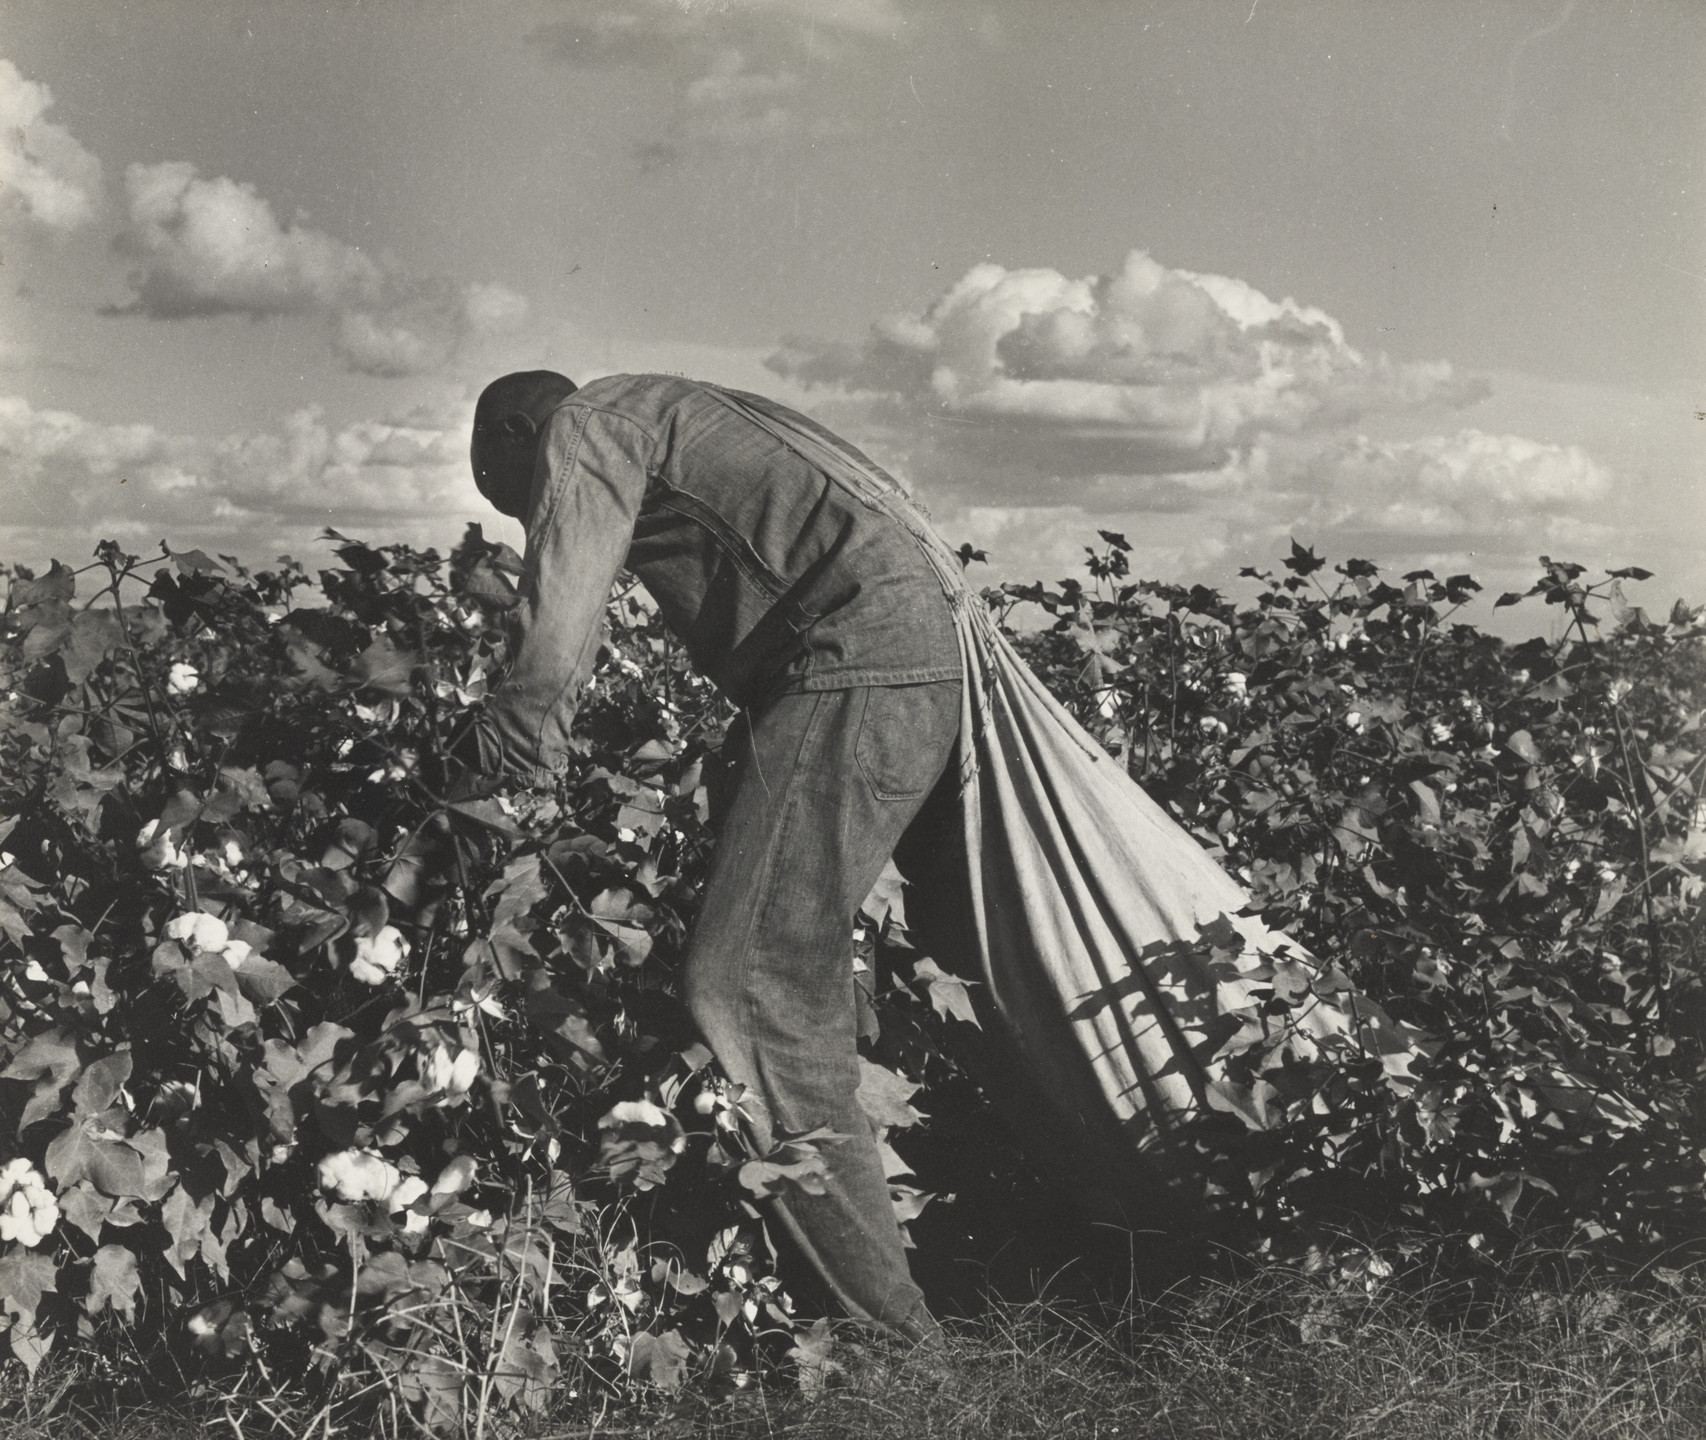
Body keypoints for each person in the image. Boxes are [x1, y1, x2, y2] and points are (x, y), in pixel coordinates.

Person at [464, 369, 966, 1346]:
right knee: (804, 974)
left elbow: (554, 638)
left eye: (526, 497)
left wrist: (493, 793)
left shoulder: (587, 423)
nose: (542, 520)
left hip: (856, 663)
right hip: (910, 661)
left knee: (751, 993)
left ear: (523, 431)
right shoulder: (671, 410)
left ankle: (893, 1351)